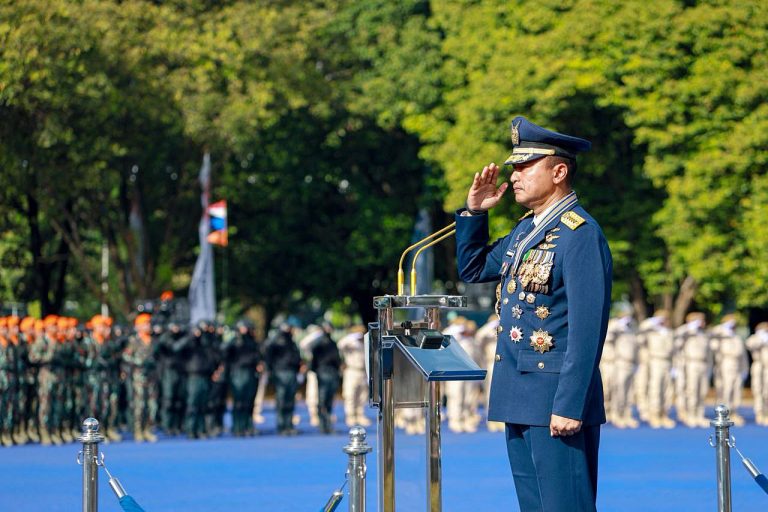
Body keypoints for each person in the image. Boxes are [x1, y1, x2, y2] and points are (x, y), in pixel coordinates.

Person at [455, 116, 611, 511]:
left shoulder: (580, 233)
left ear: (559, 171)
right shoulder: (527, 231)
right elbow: (473, 270)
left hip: (556, 398)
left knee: (565, 506)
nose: (515, 174)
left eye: (526, 166)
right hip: (519, 393)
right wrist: (475, 213)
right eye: (514, 166)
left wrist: (569, 404)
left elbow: (586, 329)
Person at [264, 323, 303, 436]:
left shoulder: (292, 342)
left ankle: (289, 424)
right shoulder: (275, 342)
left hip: (291, 372)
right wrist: (271, 372)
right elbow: (268, 356)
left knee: (290, 400)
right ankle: (281, 426)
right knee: (281, 400)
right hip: (280, 372)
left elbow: (296, 356)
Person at [310, 323, 342, 434]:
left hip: (331, 372)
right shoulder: (319, 344)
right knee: (323, 400)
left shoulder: (332, 343)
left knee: (328, 400)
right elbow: (314, 362)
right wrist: (318, 371)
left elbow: (337, 359)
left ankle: (327, 424)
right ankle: (323, 425)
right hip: (324, 372)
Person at [337, 325, 370, 427]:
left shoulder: (366, 343)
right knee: (350, 395)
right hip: (351, 371)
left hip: (363, 372)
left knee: (362, 395)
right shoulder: (350, 343)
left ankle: (360, 415)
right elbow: (340, 344)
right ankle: (350, 416)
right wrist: (352, 337)